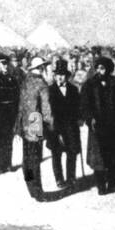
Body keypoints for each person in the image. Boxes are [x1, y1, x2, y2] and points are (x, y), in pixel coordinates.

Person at [81, 57, 115, 194]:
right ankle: (101, 186)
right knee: (98, 158)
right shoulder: (89, 84)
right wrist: (90, 118)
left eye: (103, 68)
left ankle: (112, 183)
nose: (101, 71)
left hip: (113, 125)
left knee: (113, 155)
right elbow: (84, 105)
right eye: (98, 68)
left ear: (109, 69)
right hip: (97, 126)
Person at [19, 57, 52, 201]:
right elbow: (46, 108)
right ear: (41, 68)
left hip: (24, 121)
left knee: (27, 158)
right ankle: (38, 192)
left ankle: (30, 187)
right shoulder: (41, 84)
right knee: (35, 158)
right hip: (36, 120)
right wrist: (51, 124)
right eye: (43, 67)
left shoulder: (25, 81)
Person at [46, 61, 81, 190]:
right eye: (58, 75)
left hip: (71, 127)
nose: (60, 77)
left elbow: (78, 107)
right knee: (57, 154)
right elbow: (48, 111)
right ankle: (59, 179)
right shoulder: (50, 90)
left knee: (72, 152)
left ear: (67, 76)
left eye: (63, 75)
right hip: (55, 128)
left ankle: (71, 178)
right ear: (55, 76)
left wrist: (79, 118)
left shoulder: (73, 89)